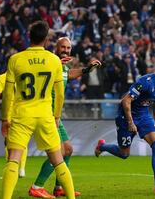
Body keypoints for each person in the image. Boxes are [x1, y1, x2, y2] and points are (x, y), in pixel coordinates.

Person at [1, 21, 75, 199]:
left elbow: (8, 93)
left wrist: (5, 119)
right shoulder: (54, 61)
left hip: (22, 115)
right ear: (46, 40)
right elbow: (59, 94)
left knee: (14, 159)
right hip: (45, 115)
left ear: (29, 37)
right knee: (58, 160)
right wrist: (56, 116)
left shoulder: (15, 59)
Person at [29, 37, 101, 198]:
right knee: (59, 151)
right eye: (63, 47)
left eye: (68, 48)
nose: (66, 50)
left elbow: (69, 74)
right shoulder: (48, 60)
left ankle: (59, 187)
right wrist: (57, 62)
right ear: (56, 47)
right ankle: (37, 186)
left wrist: (87, 69)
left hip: (55, 116)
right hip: (45, 113)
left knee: (68, 150)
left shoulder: (62, 66)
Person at [94, 58, 155, 194]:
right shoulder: (145, 82)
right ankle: (102, 146)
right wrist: (130, 122)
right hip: (126, 116)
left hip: (143, 116)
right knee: (124, 154)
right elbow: (125, 101)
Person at [0, 71, 28, 178]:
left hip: (8, 114)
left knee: (8, 142)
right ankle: (22, 169)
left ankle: (10, 169)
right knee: (23, 141)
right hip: (23, 113)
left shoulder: (1, 78)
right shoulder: (23, 76)